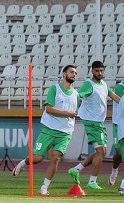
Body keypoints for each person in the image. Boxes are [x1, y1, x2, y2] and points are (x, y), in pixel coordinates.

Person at [13, 65, 78, 196]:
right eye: (71, 72)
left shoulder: (76, 94)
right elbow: (48, 109)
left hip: (65, 132)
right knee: (37, 158)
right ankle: (23, 163)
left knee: (56, 158)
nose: (74, 74)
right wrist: (67, 113)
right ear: (64, 74)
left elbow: (76, 111)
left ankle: (44, 187)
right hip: (49, 129)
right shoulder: (55, 89)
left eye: (75, 73)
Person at [68, 61, 121, 190]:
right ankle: (92, 181)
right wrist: (74, 109)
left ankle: (76, 169)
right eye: (97, 71)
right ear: (92, 71)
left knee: (102, 152)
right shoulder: (88, 84)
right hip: (91, 121)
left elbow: (115, 97)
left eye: (101, 71)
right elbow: (79, 96)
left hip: (99, 122)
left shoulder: (103, 85)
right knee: (101, 152)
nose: (99, 73)